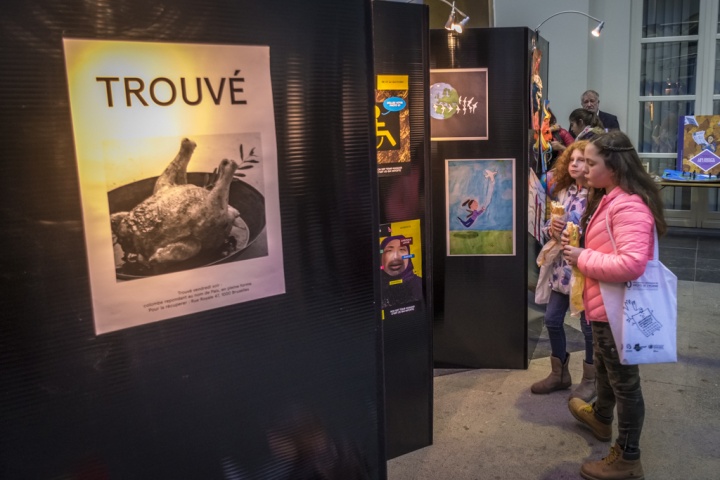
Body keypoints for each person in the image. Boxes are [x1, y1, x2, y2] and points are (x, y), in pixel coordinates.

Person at [562, 131, 667, 480]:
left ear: (614, 166)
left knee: (625, 385)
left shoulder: (628, 206)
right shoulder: (611, 197)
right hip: (606, 306)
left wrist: (582, 257)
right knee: (607, 371)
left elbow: (632, 264)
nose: (585, 169)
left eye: (592, 163)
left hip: (618, 310)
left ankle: (628, 457)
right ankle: (601, 417)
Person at [531, 141, 594, 401]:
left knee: (588, 327)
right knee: (552, 320)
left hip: (585, 270)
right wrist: (552, 227)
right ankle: (559, 374)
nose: (575, 164)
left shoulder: (597, 195)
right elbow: (549, 223)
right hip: (561, 269)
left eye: (582, 160)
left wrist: (577, 233)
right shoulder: (564, 192)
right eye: (572, 160)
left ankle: (591, 380)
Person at [380, 235, 422, 309]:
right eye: (389, 251)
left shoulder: (420, 284)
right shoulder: (375, 288)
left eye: (402, 249)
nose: (396, 257)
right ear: (381, 257)